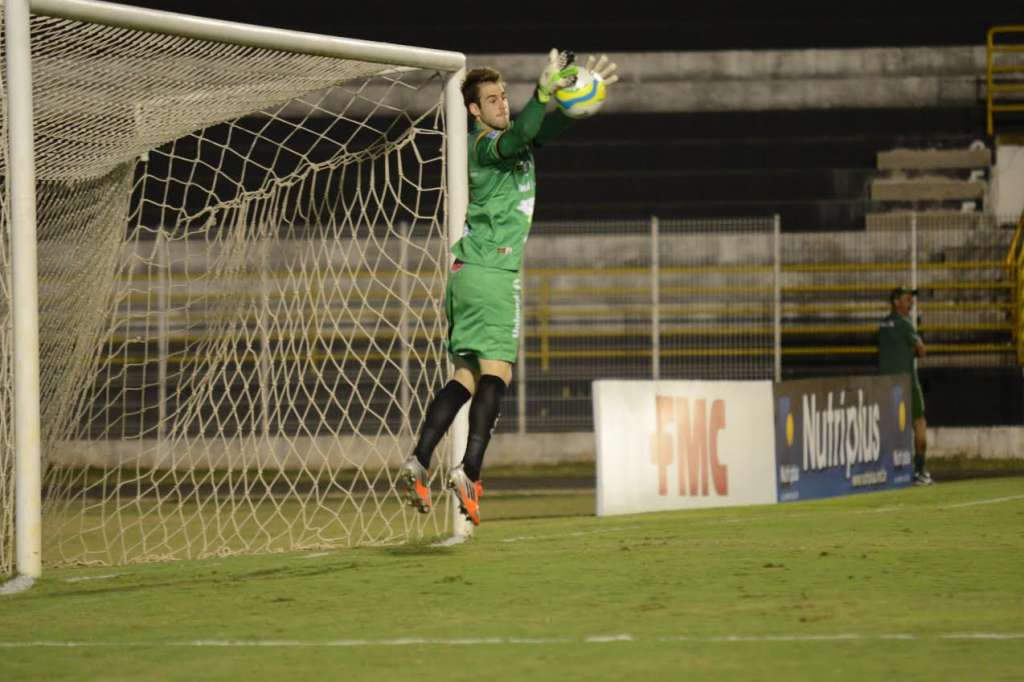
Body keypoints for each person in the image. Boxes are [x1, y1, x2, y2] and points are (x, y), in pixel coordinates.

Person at [397, 50, 619, 526]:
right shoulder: (483, 145)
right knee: (498, 373)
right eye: (492, 99)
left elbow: (542, 131)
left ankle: (419, 459)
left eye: (504, 96)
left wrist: (577, 100)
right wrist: (541, 94)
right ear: (473, 110)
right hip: (493, 272)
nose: (502, 104)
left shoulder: (513, 139)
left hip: (467, 274)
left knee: (465, 378)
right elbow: (522, 134)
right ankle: (469, 471)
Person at [878, 286, 931, 485]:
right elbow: (922, 351)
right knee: (919, 423)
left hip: (886, 384)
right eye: (907, 300)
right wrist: (917, 337)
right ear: (896, 302)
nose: (911, 303)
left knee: (890, 428)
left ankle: (888, 472)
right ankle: (920, 470)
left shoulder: (883, 324)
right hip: (908, 383)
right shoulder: (905, 324)